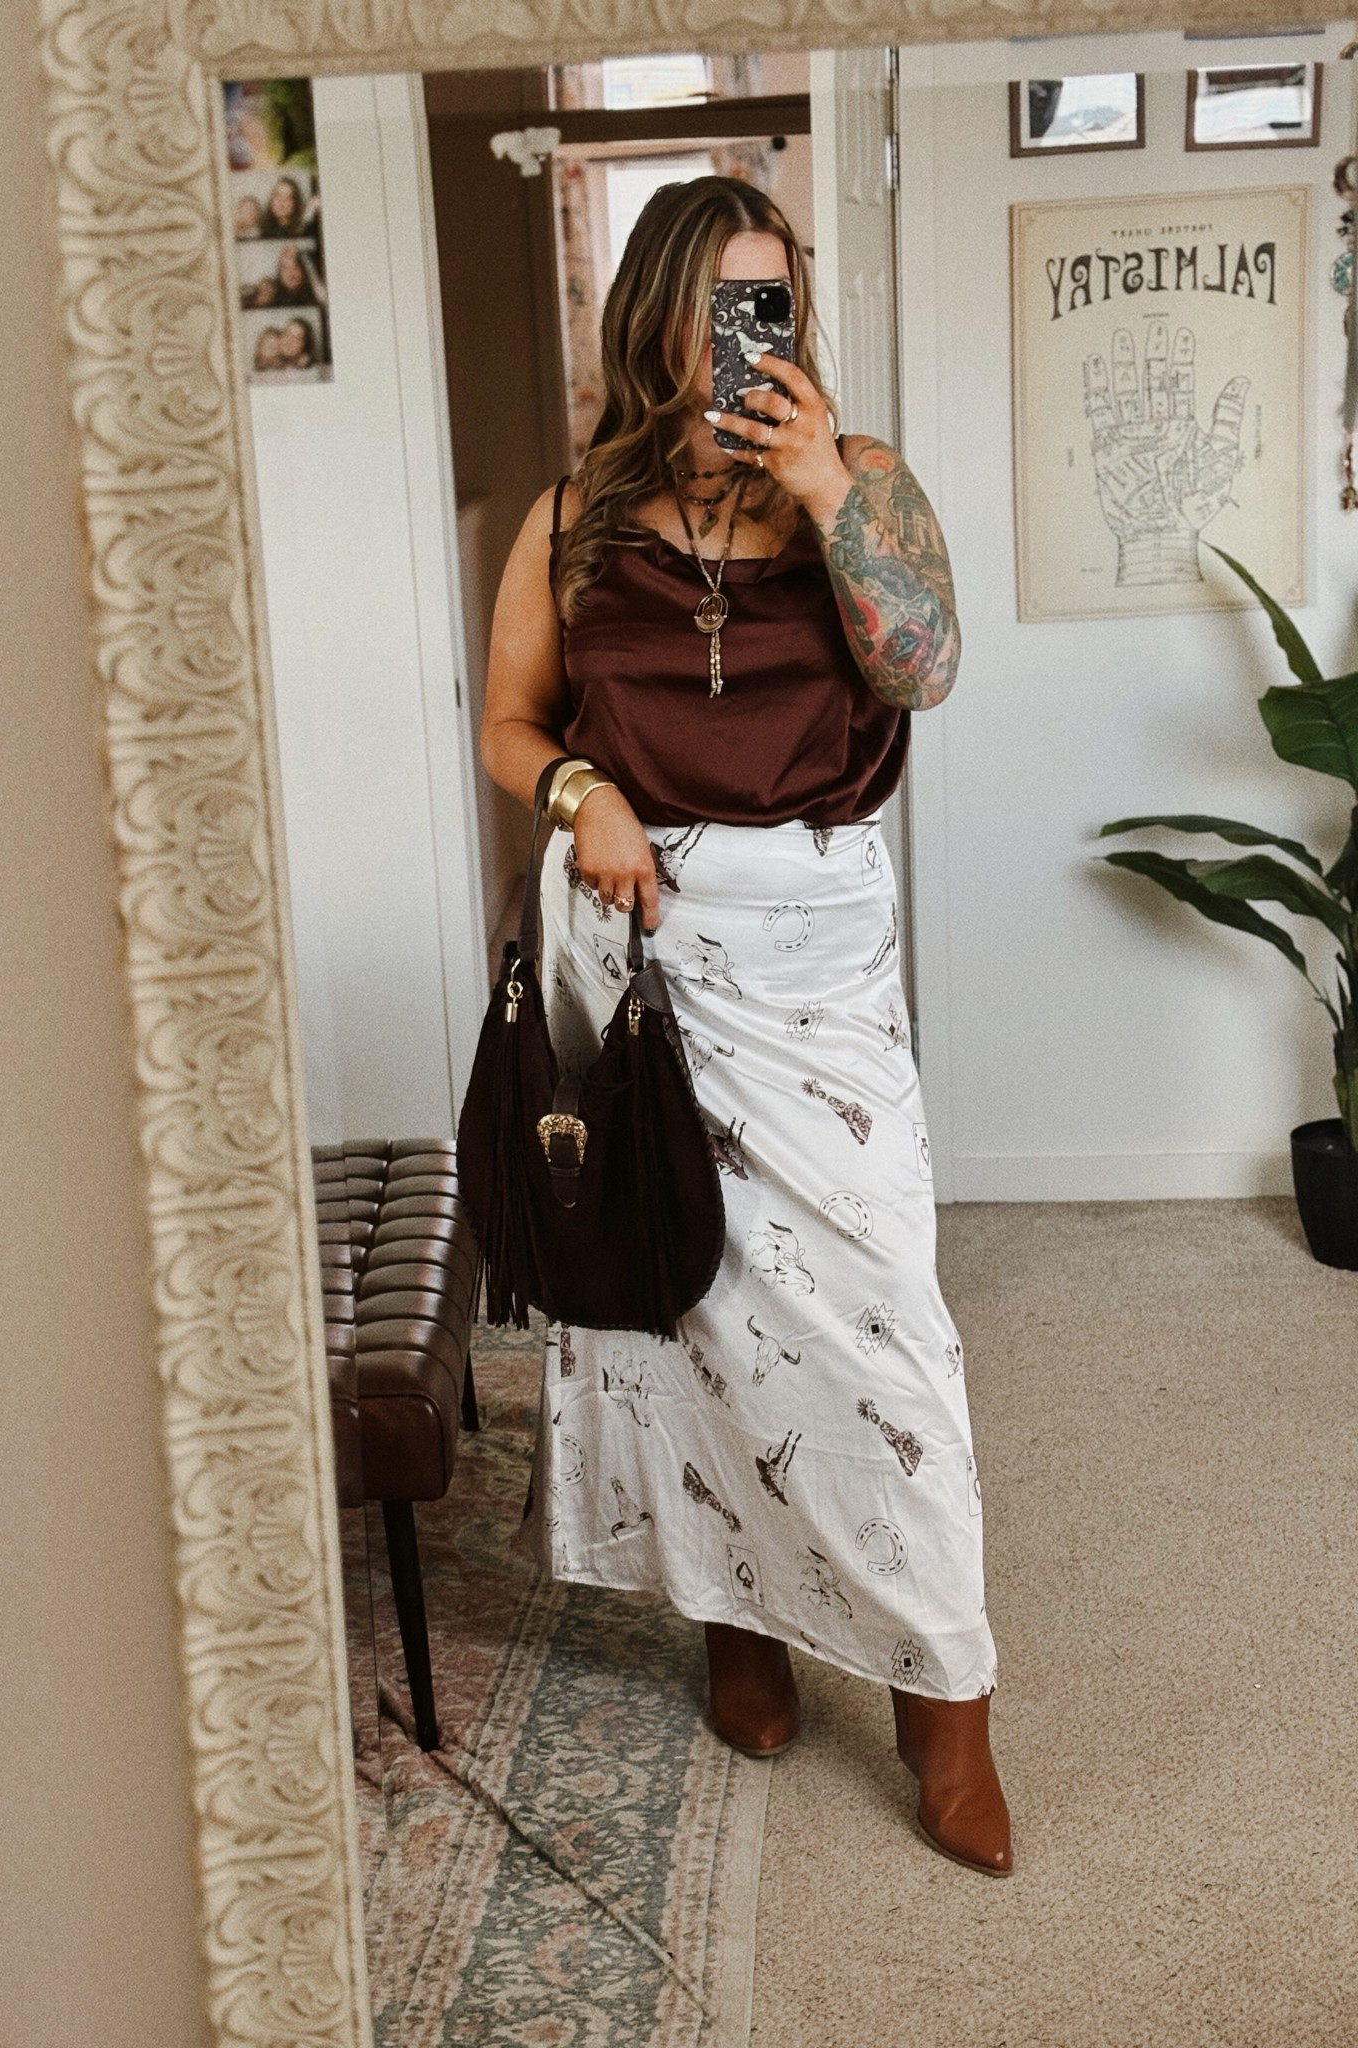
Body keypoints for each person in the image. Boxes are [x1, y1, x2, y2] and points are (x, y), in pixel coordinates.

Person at [479, 175, 1013, 1877]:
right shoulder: (571, 519)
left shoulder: (869, 481)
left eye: (767, 300)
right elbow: (508, 723)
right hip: (645, 946)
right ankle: (740, 1626)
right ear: (655, 316)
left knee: (883, 1323)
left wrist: (823, 486)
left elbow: (922, 668)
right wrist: (582, 792)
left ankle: (944, 1698)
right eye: (716, 302)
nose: (742, 335)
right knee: (680, 1293)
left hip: (821, 951)